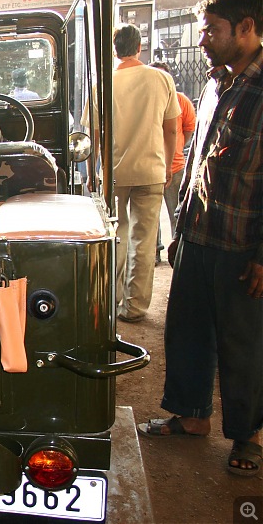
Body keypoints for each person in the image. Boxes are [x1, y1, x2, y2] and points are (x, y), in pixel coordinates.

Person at [137, 0, 263, 477]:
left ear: (245, 27)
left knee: (242, 344)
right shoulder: (215, 83)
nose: (204, 40)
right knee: (186, 330)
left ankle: (248, 435)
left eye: (212, 30)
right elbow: (198, 161)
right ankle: (191, 416)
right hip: (198, 234)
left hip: (240, 243)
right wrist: (181, 229)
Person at [83, 24, 180, 322]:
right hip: (151, 170)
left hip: (115, 173)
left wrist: (92, 172)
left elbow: (93, 137)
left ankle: (112, 301)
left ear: (114, 50)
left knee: (116, 235)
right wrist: (164, 164)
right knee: (144, 238)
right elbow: (172, 128)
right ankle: (135, 307)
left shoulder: (103, 84)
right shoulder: (161, 79)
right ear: (140, 47)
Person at [149, 61, 197, 263]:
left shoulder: (181, 101)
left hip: (175, 167)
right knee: (151, 217)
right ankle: (154, 252)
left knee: (176, 213)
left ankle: (178, 253)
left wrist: (175, 148)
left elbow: (189, 128)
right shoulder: (148, 102)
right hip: (151, 165)